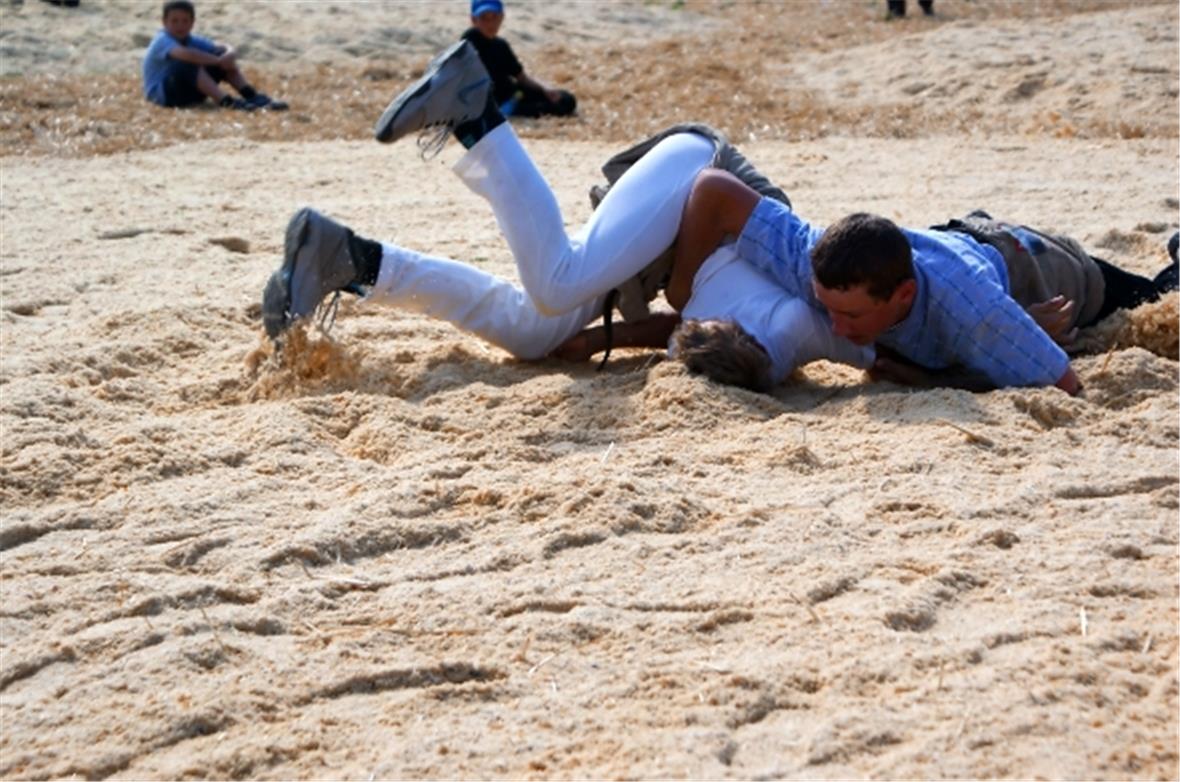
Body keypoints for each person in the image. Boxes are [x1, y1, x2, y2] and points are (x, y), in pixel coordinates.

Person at [261, 43, 873, 392]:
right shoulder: (810, 324)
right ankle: (475, 112)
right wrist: (683, 285)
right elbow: (696, 291)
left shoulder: (735, 346)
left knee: (535, 332)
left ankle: (353, 261)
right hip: (703, 176)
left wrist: (603, 337)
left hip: (663, 248)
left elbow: (683, 329)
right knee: (557, 282)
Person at [665, 170, 1180, 395]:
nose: (836, 328)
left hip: (1039, 268)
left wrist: (945, 375)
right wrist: (679, 290)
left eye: (853, 317)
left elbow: (1067, 384)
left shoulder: (978, 316)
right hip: (959, 238)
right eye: (830, 309)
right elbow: (714, 190)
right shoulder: (815, 260)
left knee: (1158, 298)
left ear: (904, 295)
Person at [141, 1, 288, 112]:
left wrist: (229, 54)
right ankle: (226, 102)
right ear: (164, 22)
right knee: (187, 62)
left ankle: (252, 96)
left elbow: (222, 47)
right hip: (165, 96)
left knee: (218, 55)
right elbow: (185, 54)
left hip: (188, 93)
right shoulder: (161, 40)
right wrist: (218, 61)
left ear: (192, 23)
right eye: (175, 21)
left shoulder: (191, 39)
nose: (180, 26)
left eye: (185, 21)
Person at [461, 0, 576, 119]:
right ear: (474, 20)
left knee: (566, 100)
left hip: (513, 94)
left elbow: (521, 77)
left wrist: (545, 89)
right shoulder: (469, 41)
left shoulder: (501, 45)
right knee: (548, 109)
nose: (490, 23)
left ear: (502, 17)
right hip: (492, 103)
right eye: (484, 18)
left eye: (494, 17)